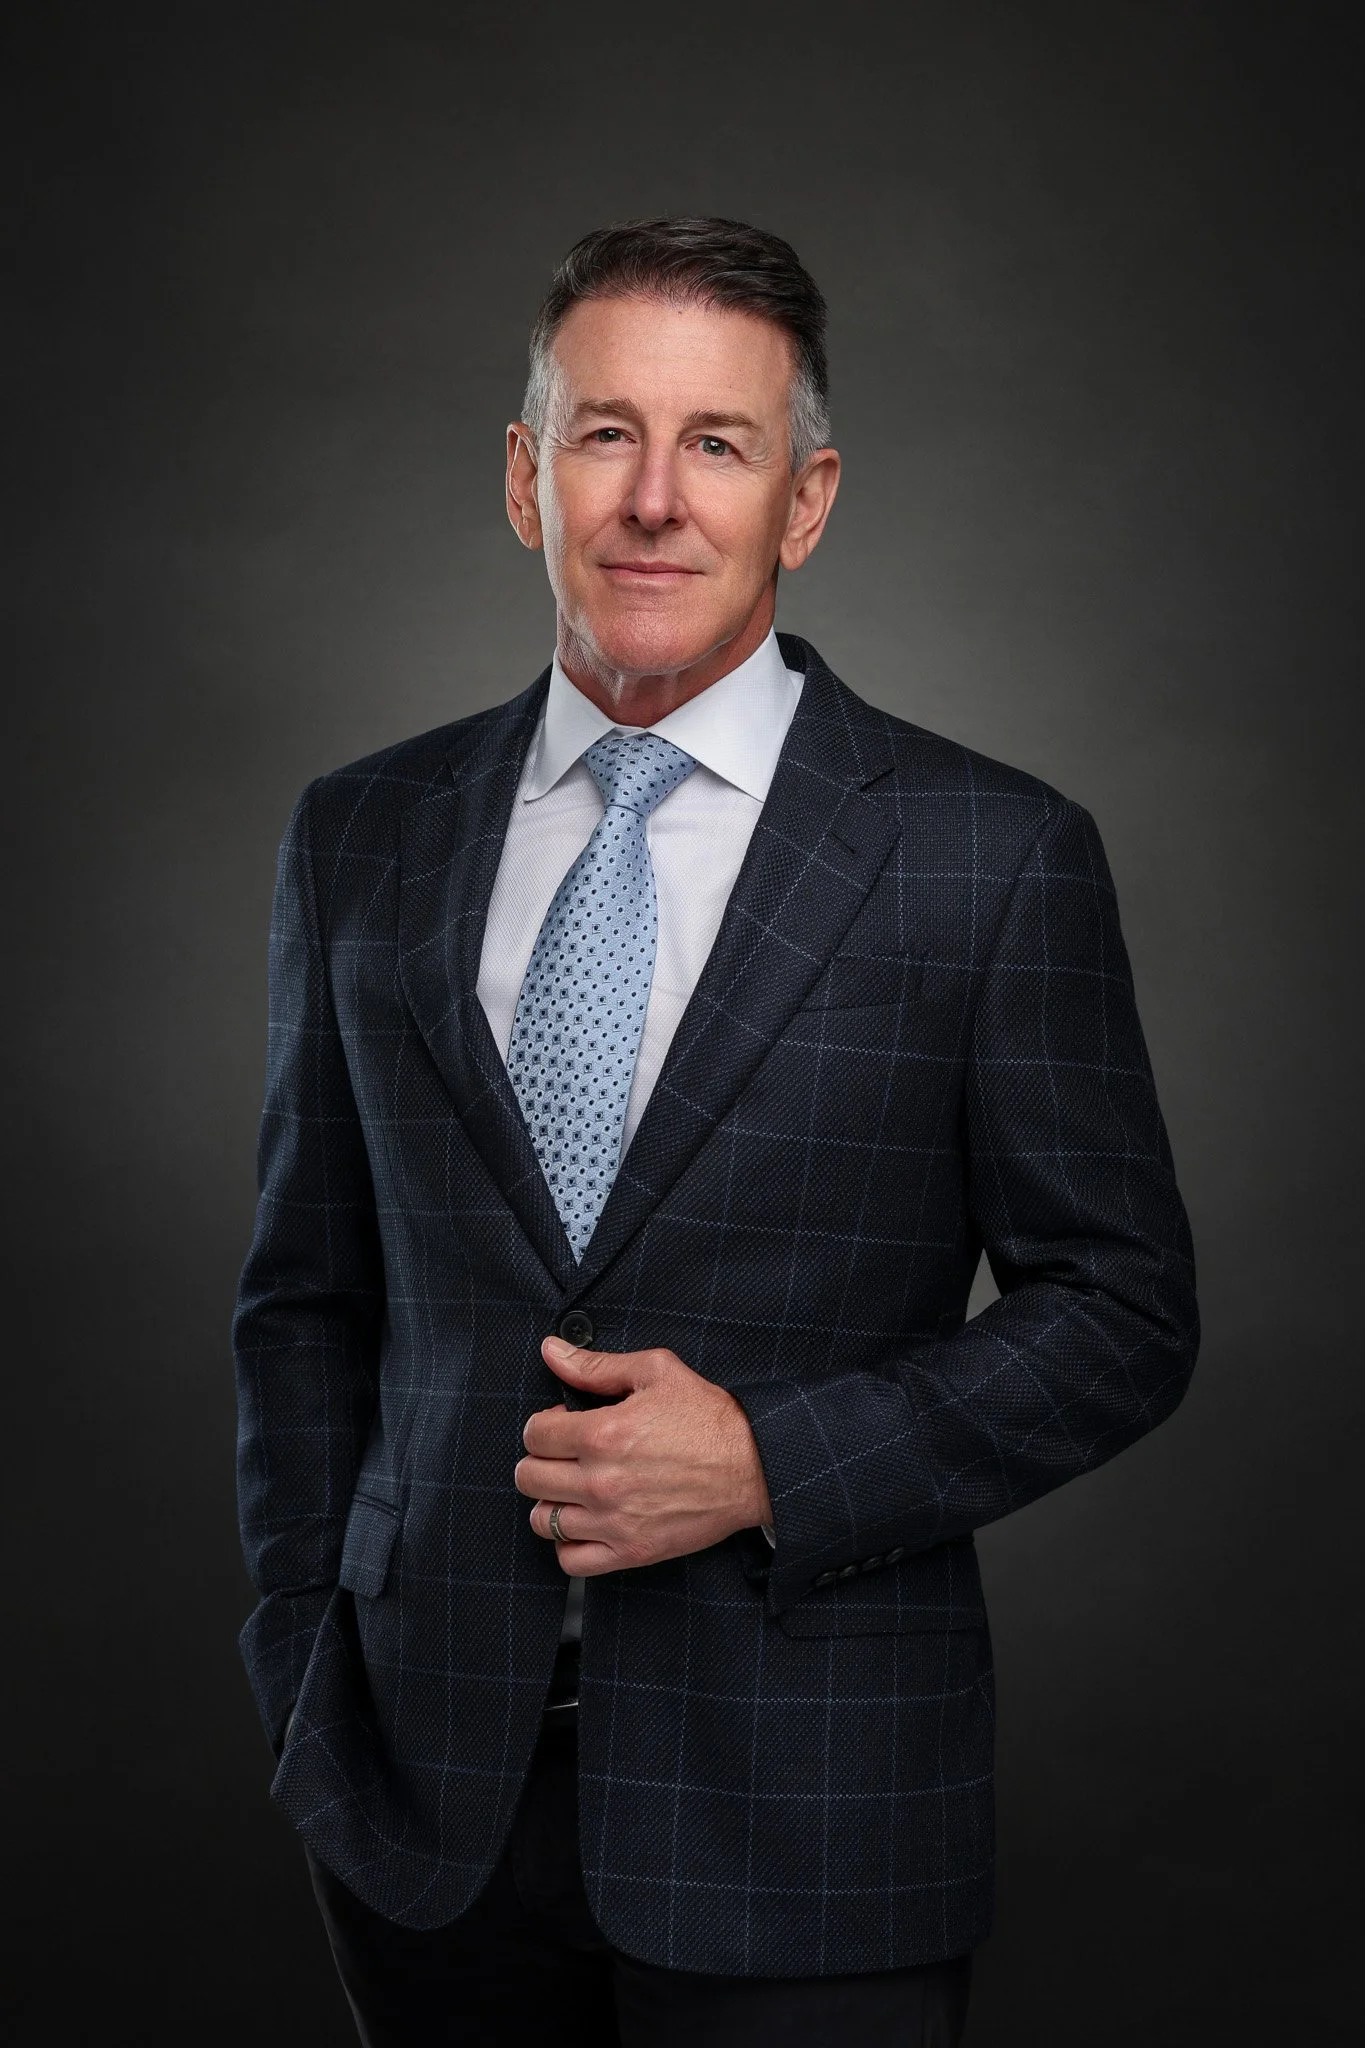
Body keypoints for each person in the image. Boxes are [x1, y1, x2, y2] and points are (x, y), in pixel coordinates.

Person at [233, 215, 1198, 2046]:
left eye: (719, 443)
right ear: (526, 477)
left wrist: (774, 1461)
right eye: (606, 432)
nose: (656, 498)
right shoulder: (359, 835)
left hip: (815, 1819)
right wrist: (304, 1650)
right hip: (416, 1807)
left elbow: (1127, 1310)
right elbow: (304, 1295)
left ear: (805, 501)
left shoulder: (988, 857)